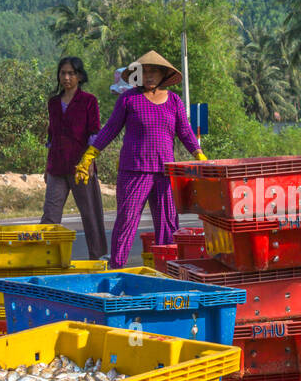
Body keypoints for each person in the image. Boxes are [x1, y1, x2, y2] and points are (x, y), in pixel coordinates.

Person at [76, 50, 206, 268]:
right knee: (126, 221)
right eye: (144, 71)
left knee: (168, 223)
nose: (149, 76)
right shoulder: (129, 99)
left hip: (165, 173)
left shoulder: (174, 101)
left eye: (154, 71)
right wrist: (89, 155)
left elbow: (185, 132)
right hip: (134, 171)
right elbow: (110, 130)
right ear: (137, 74)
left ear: (163, 74)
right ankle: (117, 268)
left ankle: (168, 270)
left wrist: (199, 155)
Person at [41, 56, 108, 259]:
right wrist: (47, 165)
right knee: (50, 215)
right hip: (57, 166)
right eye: (63, 73)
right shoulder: (53, 103)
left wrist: (89, 161)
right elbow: (51, 135)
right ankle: (44, 256)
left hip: (81, 166)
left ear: (79, 76)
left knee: (90, 214)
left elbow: (95, 133)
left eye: (71, 73)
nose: (67, 77)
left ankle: (98, 258)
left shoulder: (89, 101)